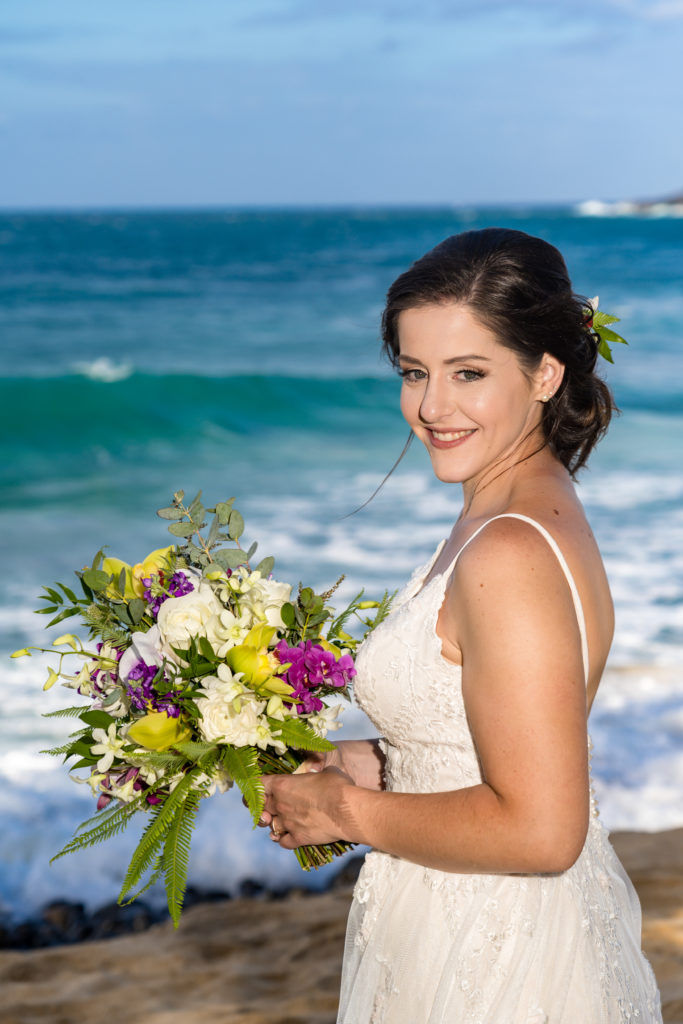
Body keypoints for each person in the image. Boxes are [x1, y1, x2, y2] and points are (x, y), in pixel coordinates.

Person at [261, 228, 663, 1022]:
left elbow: (541, 831)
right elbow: (481, 745)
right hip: (463, 919)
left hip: (495, 951)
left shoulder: (508, 549)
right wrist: (347, 762)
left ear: (544, 373)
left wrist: (341, 813)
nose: (430, 406)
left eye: (467, 373)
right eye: (414, 372)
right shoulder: (519, 511)